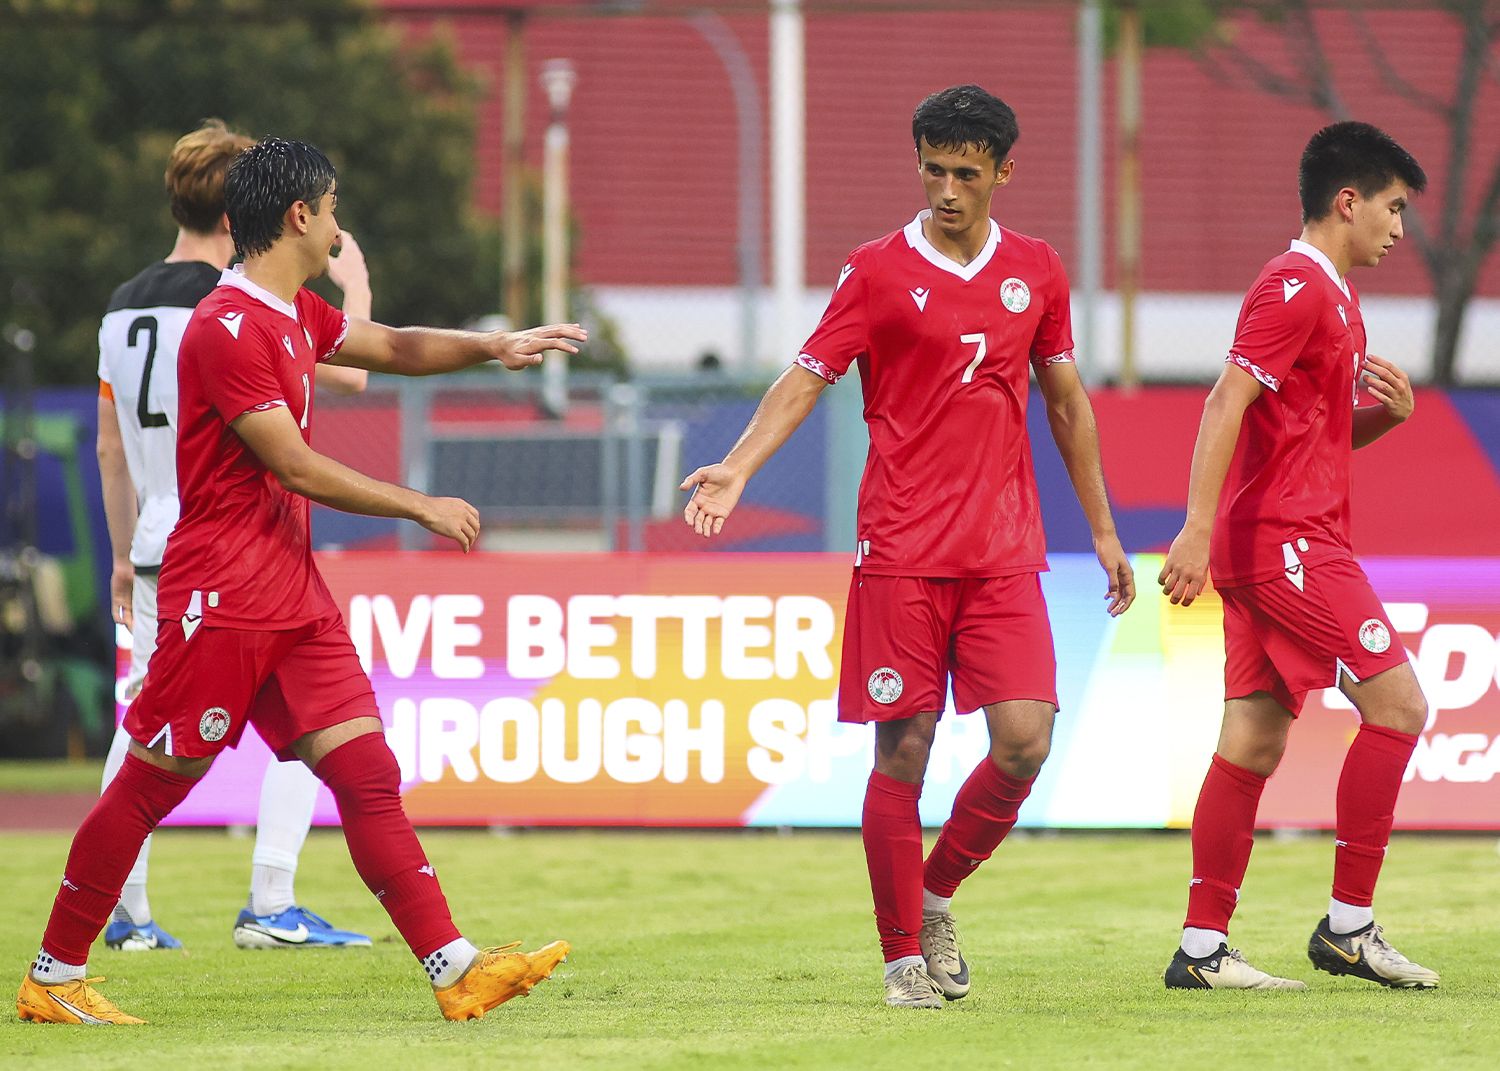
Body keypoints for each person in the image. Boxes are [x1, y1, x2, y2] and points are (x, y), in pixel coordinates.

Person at [18, 135, 586, 1025]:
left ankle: (455, 966)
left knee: (367, 772)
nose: (337, 226)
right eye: (330, 209)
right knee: (153, 780)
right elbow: (295, 465)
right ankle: (54, 975)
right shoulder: (225, 324)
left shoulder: (294, 311)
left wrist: (498, 346)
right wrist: (420, 504)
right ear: (298, 217)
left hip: (292, 594)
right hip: (224, 597)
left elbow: (391, 343)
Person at [681, 85, 1134, 1008]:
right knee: (904, 751)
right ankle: (901, 962)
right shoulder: (877, 270)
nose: (947, 189)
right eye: (933, 169)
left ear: (1004, 171)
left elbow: (1065, 402)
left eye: (967, 173)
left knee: (1024, 741)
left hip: (1005, 550)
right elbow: (806, 378)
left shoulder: (1039, 271)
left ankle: (932, 897)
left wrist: (1102, 526)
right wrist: (736, 466)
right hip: (900, 549)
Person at [1158, 121, 1437, 991]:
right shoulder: (1294, 286)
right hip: (1288, 542)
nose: (1399, 226)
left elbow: (1303, 436)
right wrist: (1195, 528)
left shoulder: (1338, 297)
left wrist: (1380, 421)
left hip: (1282, 535)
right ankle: (1348, 927)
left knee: (1250, 737)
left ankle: (1202, 948)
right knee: (1398, 705)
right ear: (1347, 201)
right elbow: (1223, 402)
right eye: (1393, 207)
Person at [95, 119, 371, 954]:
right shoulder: (234, 303)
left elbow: (111, 443)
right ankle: (272, 899)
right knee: (304, 712)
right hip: (228, 539)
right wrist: (354, 283)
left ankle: (131, 912)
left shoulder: (123, 303)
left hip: (152, 537)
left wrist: (118, 551)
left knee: (140, 726)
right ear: (242, 209)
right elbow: (353, 371)